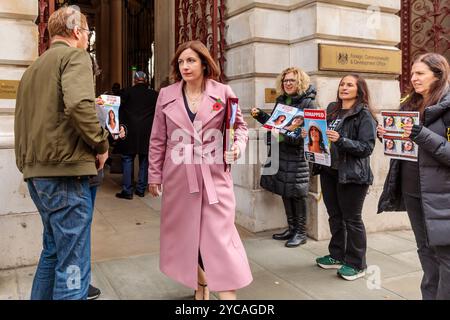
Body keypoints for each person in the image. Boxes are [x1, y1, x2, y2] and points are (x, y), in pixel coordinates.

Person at [14, 6, 109, 299]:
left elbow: (25, 120)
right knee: (73, 267)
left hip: (37, 174)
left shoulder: (33, 69)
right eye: (87, 32)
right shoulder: (75, 56)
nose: (87, 38)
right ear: (77, 32)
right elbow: (79, 106)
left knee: (53, 251)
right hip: (65, 175)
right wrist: (101, 143)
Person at [148, 40, 252, 300]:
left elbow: (240, 127)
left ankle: (227, 296)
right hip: (178, 177)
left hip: (215, 175)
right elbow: (158, 139)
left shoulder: (224, 92)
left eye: (191, 60)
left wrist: (237, 147)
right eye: (181, 62)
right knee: (184, 238)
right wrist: (154, 175)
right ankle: (200, 284)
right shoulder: (166, 94)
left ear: (205, 63)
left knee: (220, 239)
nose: (185, 66)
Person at [378, 53, 450, 300]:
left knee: (445, 255)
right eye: (412, 73)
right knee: (425, 250)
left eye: (420, 73)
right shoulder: (410, 103)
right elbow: (406, 146)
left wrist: (421, 133)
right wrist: (387, 135)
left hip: (442, 193)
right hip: (412, 189)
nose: (413, 78)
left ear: (438, 74)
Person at [309, 74, 377, 280]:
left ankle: (357, 263)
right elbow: (320, 135)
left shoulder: (364, 115)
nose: (344, 88)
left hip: (353, 175)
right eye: (341, 84)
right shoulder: (332, 109)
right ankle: (337, 255)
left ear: (359, 90)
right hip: (329, 171)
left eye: (349, 85)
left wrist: (341, 140)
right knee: (335, 216)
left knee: (352, 219)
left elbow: (367, 148)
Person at [251, 67, 317, 247]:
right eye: (285, 81)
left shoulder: (308, 103)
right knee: (286, 191)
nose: (287, 84)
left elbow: (310, 135)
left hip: (297, 155)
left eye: (291, 81)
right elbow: (275, 124)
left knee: (298, 193)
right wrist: (261, 116)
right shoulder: (282, 100)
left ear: (300, 82)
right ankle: (292, 228)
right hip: (281, 151)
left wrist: (288, 132)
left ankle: (301, 232)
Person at [115, 71, 158, 199]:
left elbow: (117, 107)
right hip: (147, 132)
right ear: (146, 80)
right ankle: (140, 189)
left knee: (127, 159)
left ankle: (127, 191)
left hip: (130, 131)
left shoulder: (126, 92)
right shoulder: (154, 95)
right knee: (145, 160)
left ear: (134, 80)